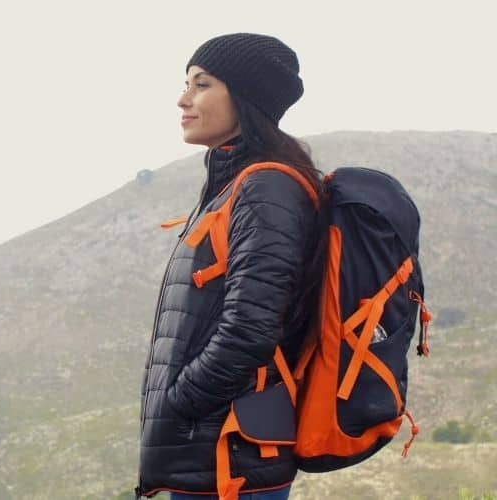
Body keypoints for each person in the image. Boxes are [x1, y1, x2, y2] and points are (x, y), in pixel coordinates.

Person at [136, 33, 325, 500]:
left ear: (244, 96)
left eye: (201, 84)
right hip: (214, 454)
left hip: (231, 459)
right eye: (186, 84)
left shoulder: (266, 188)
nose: (183, 99)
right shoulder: (232, 187)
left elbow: (250, 330)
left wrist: (181, 403)